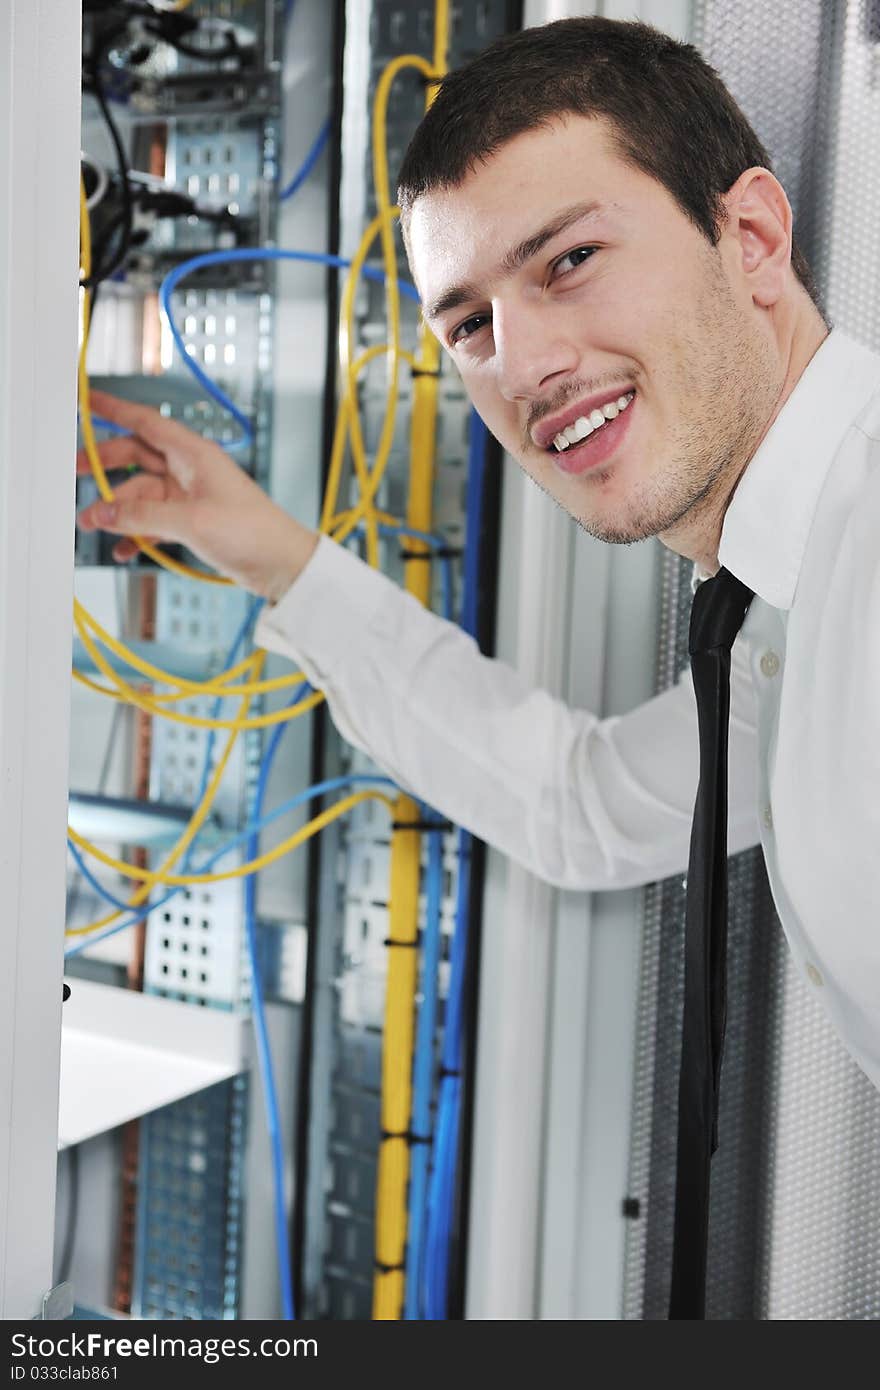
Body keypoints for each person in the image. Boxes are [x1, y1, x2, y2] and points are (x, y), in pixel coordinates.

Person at [77, 17, 880, 1089]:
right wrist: (270, 553)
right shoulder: (775, 616)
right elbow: (581, 805)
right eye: (468, 326)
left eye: (571, 260)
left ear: (751, 239)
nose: (525, 364)